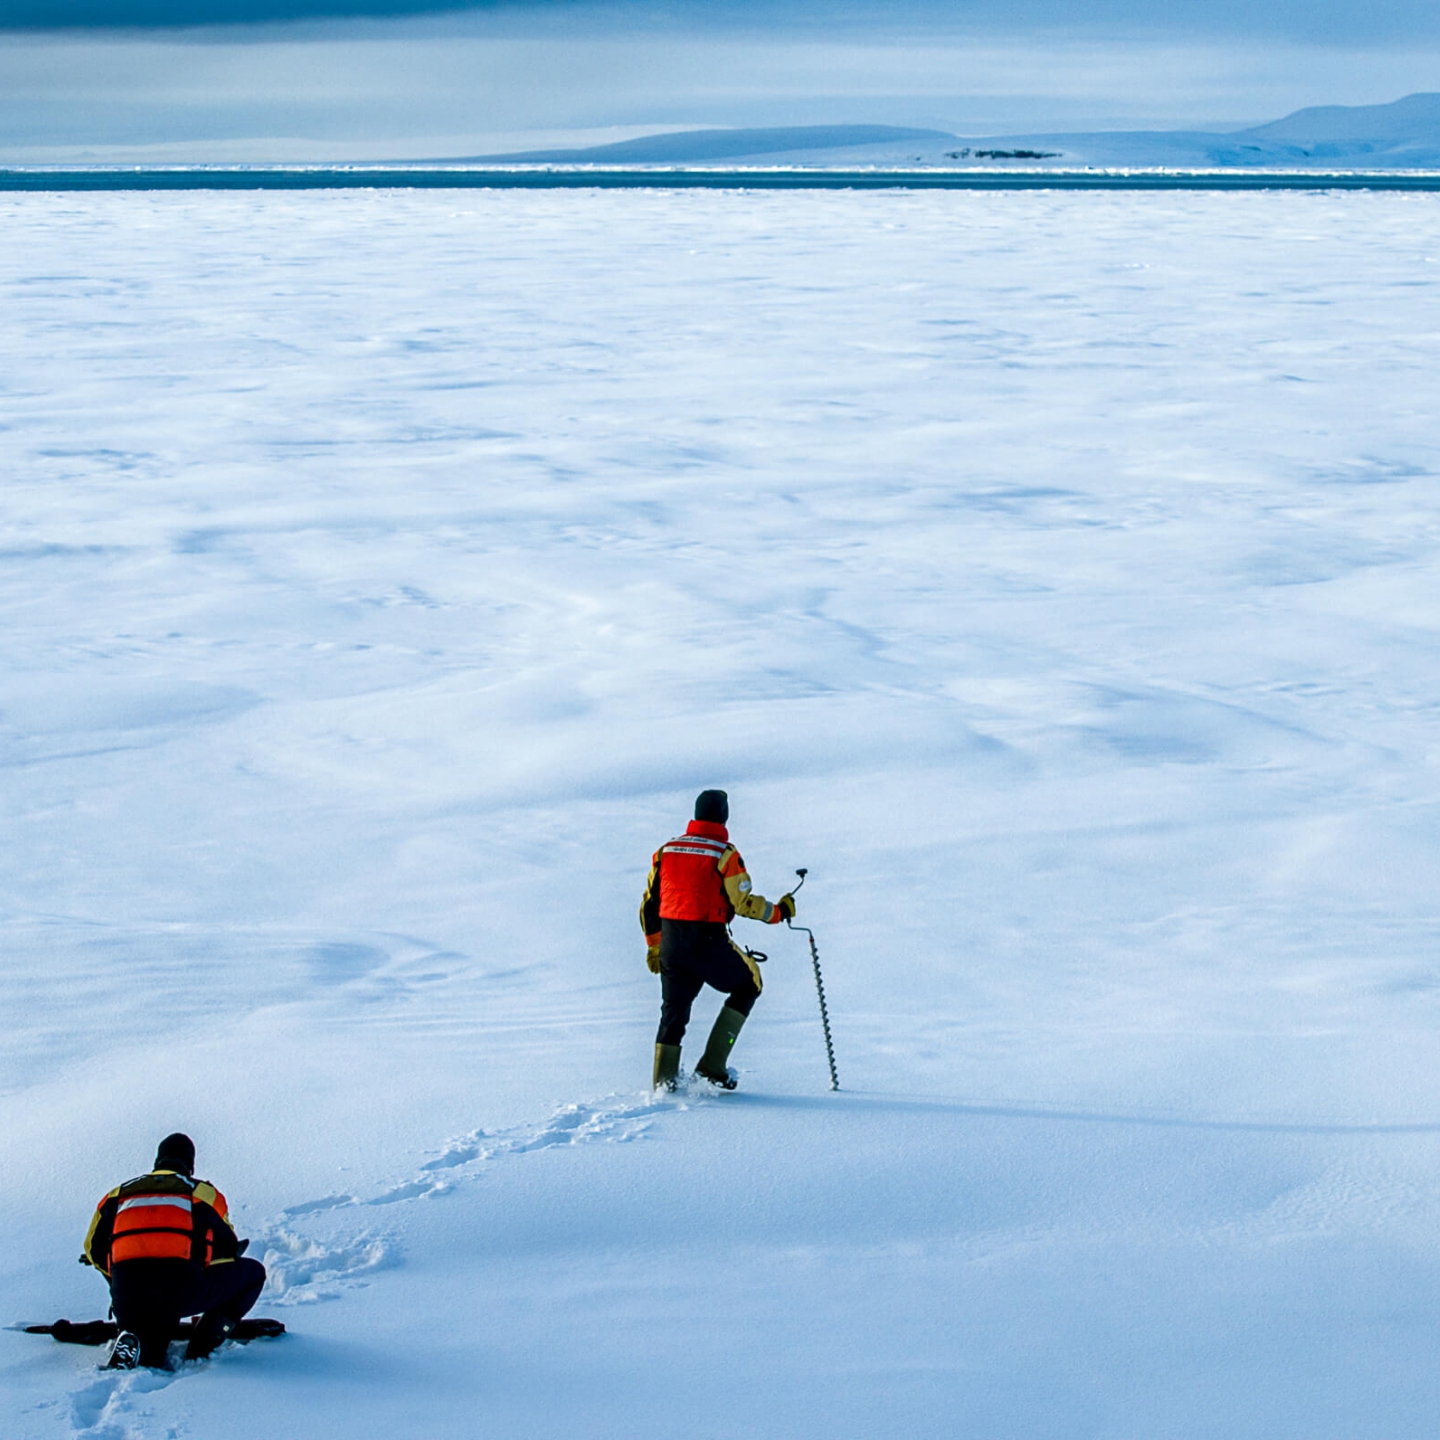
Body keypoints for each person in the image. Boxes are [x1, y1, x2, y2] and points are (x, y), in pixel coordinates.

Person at [639, 789, 795, 1090]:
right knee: (750, 985)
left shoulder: (666, 851)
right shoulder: (725, 853)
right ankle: (712, 1066)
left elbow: (649, 903)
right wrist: (779, 912)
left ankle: (663, 1083)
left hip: (671, 943)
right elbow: (743, 902)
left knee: (673, 1011)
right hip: (708, 940)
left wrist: (655, 946)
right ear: (724, 815)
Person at [82, 1133, 267, 1370]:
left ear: (158, 1161)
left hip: (128, 1297)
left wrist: (118, 1281)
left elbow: (92, 1249)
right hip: (180, 1293)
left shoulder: (116, 1195)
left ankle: (135, 1338)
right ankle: (202, 1345)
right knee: (253, 1274)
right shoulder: (201, 1193)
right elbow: (226, 1247)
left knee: (150, 1340)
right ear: (190, 1165)